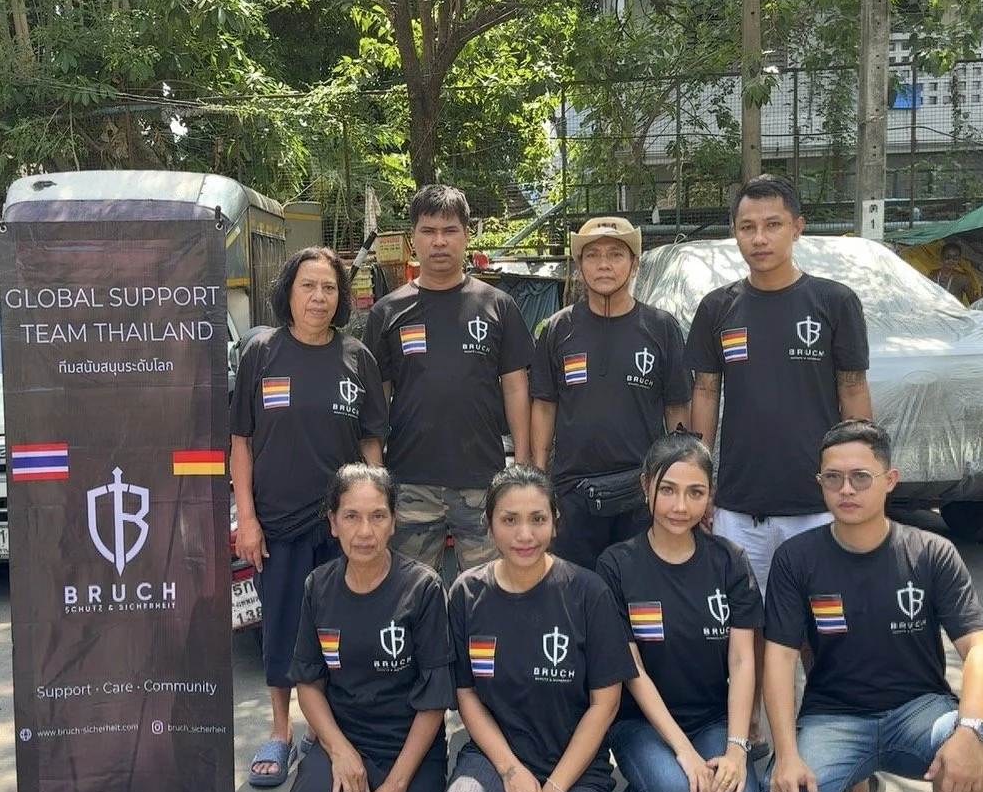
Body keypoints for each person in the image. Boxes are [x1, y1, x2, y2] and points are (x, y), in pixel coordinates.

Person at [762, 419, 983, 792]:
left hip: (919, 711)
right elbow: (779, 658)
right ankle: (859, 786)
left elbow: (980, 648)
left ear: (890, 479)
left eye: (860, 477)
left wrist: (968, 728)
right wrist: (786, 755)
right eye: (833, 479)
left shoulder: (930, 552)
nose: (846, 490)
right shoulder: (797, 559)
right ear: (819, 484)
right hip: (834, 715)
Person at [686, 174, 872, 747]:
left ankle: (835, 738)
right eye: (747, 227)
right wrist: (700, 479)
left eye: (771, 225)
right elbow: (706, 396)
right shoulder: (718, 308)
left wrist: (863, 480)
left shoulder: (833, 302)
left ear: (798, 226)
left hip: (819, 507)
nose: (758, 238)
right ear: (734, 234)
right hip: (742, 506)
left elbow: (853, 391)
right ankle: (759, 730)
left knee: (827, 633)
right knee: (751, 628)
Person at [429, 465, 636, 792]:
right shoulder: (466, 592)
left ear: (556, 522)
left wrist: (555, 790)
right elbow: (465, 694)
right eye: (510, 520)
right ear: (489, 524)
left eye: (538, 520)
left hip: (575, 767)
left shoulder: (588, 592)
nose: (525, 534)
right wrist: (511, 773)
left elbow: (605, 703)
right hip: (495, 758)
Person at [230, 248, 388, 788]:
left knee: (340, 632)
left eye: (329, 288)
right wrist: (246, 518)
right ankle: (279, 728)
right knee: (281, 627)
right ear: (289, 293)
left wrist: (377, 516)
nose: (319, 297)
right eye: (308, 286)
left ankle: (328, 732)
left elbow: (371, 446)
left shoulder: (357, 358)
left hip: (343, 528)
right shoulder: (261, 353)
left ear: (341, 298)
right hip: (277, 524)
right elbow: (241, 443)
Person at [278, 464, 454, 792]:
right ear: (332, 521)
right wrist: (338, 750)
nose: (365, 531)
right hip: (347, 747)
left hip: (409, 757)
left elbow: (434, 701)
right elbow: (309, 682)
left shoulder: (422, 588)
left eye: (378, 516)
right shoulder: (319, 586)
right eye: (352, 516)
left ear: (394, 521)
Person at [597, 432, 763, 792]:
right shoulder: (616, 565)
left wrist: (736, 750)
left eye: (695, 493)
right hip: (642, 725)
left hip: (711, 719)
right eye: (667, 490)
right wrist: (685, 753)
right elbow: (632, 671)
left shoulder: (730, 561)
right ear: (645, 486)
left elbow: (744, 660)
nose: (680, 506)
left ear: (711, 496)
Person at [363, 185, 534, 573]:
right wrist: (376, 477)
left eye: (450, 230)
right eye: (428, 231)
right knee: (412, 596)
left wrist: (521, 462)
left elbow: (516, 385)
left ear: (466, 234)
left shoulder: (497, 306)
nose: (439, 241)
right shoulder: (388, 312)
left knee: (488, 592)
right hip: (410, 482)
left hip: (483, 479)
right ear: (413, 239)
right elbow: (375, 403)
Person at [530, 216, 692, 568]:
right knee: (575, 594)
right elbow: (544, 406)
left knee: (639, 595)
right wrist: (539, 480)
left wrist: (675, 477)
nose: (604, 264)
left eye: (616, 254)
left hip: (641, 491)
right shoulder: (558, 329)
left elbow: (678, 409)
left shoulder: (661, 328)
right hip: (571, 493)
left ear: (634, 263)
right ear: (578, 264)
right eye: (593, 255)